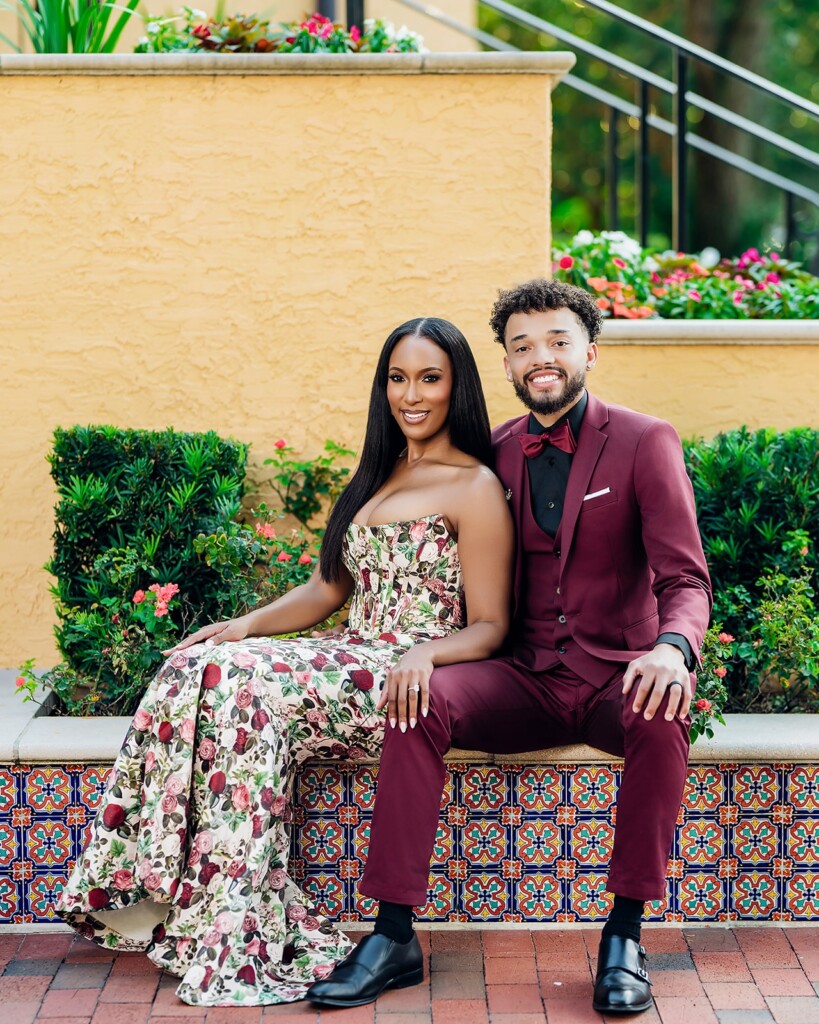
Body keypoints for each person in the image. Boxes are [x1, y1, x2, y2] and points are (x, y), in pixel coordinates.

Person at [57, 317, 513, 1007]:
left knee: (242, 682)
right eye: (397, 378)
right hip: (349, 655)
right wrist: (241, 626)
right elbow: (328, 589)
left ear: (457, 387)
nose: (410, 394)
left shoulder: (474, 485)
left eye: (429, 378)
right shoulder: (377, 477)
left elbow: (490, 626)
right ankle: (149, 895)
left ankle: (241, 927)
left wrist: (424, 651)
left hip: (408, 677)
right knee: (195, 664)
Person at [308, 280, 712, 1016]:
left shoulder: (643, 439)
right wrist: (423, 649)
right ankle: (392, 933)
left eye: (557, 340)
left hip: (613, 678)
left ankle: (623, 933)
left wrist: (672, 648)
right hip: (520, 677)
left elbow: (685, 575)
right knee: (415, 700)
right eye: (522, 346)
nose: (541, 357)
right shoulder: (490, 454)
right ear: (505, 365)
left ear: (588, 350)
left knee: (663, 713)